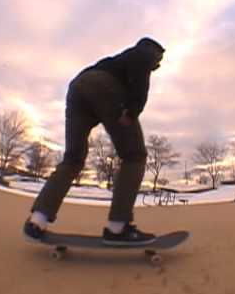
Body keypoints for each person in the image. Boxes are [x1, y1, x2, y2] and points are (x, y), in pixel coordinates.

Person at [23, 37, 165, 246]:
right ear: (155, 51)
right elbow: (140, 85)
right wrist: (132, 111)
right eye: (159, 61)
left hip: (78, 87)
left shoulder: (117, 59)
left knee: (72, 159)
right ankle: (118, 227)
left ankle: (37, 220)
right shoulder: (144, 54)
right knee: (134, 156)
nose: (157, 65)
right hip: (103, 86)